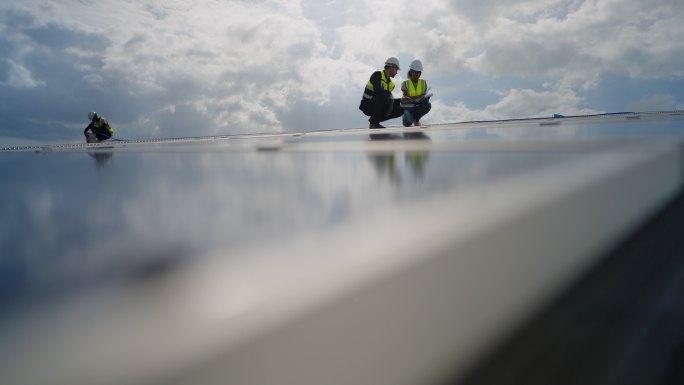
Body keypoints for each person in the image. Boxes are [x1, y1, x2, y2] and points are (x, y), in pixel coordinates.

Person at [359, 57, 404, 129]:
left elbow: (388, 99)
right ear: (392, 67)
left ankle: (376, 121)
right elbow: (379, 91)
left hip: (378, 104)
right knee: (384, 96)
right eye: (397, 69)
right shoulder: (377, 75)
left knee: (401, 109)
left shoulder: (391, 84)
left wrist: (401, 100)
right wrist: (390, 97)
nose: (397, 72)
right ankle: (373, 123)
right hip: (367, 105)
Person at [400, 59, 431, 127]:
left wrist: (426, 98)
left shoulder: (423, 83)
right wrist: (420, 96)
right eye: (416, 72)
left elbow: (424, 97)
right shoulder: (405, 83)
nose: (418, 74)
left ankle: (416, 119)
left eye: (419, 72)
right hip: (409, 108)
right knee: (407, 123)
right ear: (411, 71)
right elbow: (407, 97)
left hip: (418, 107)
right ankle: (407, 116)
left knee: (428, 105)